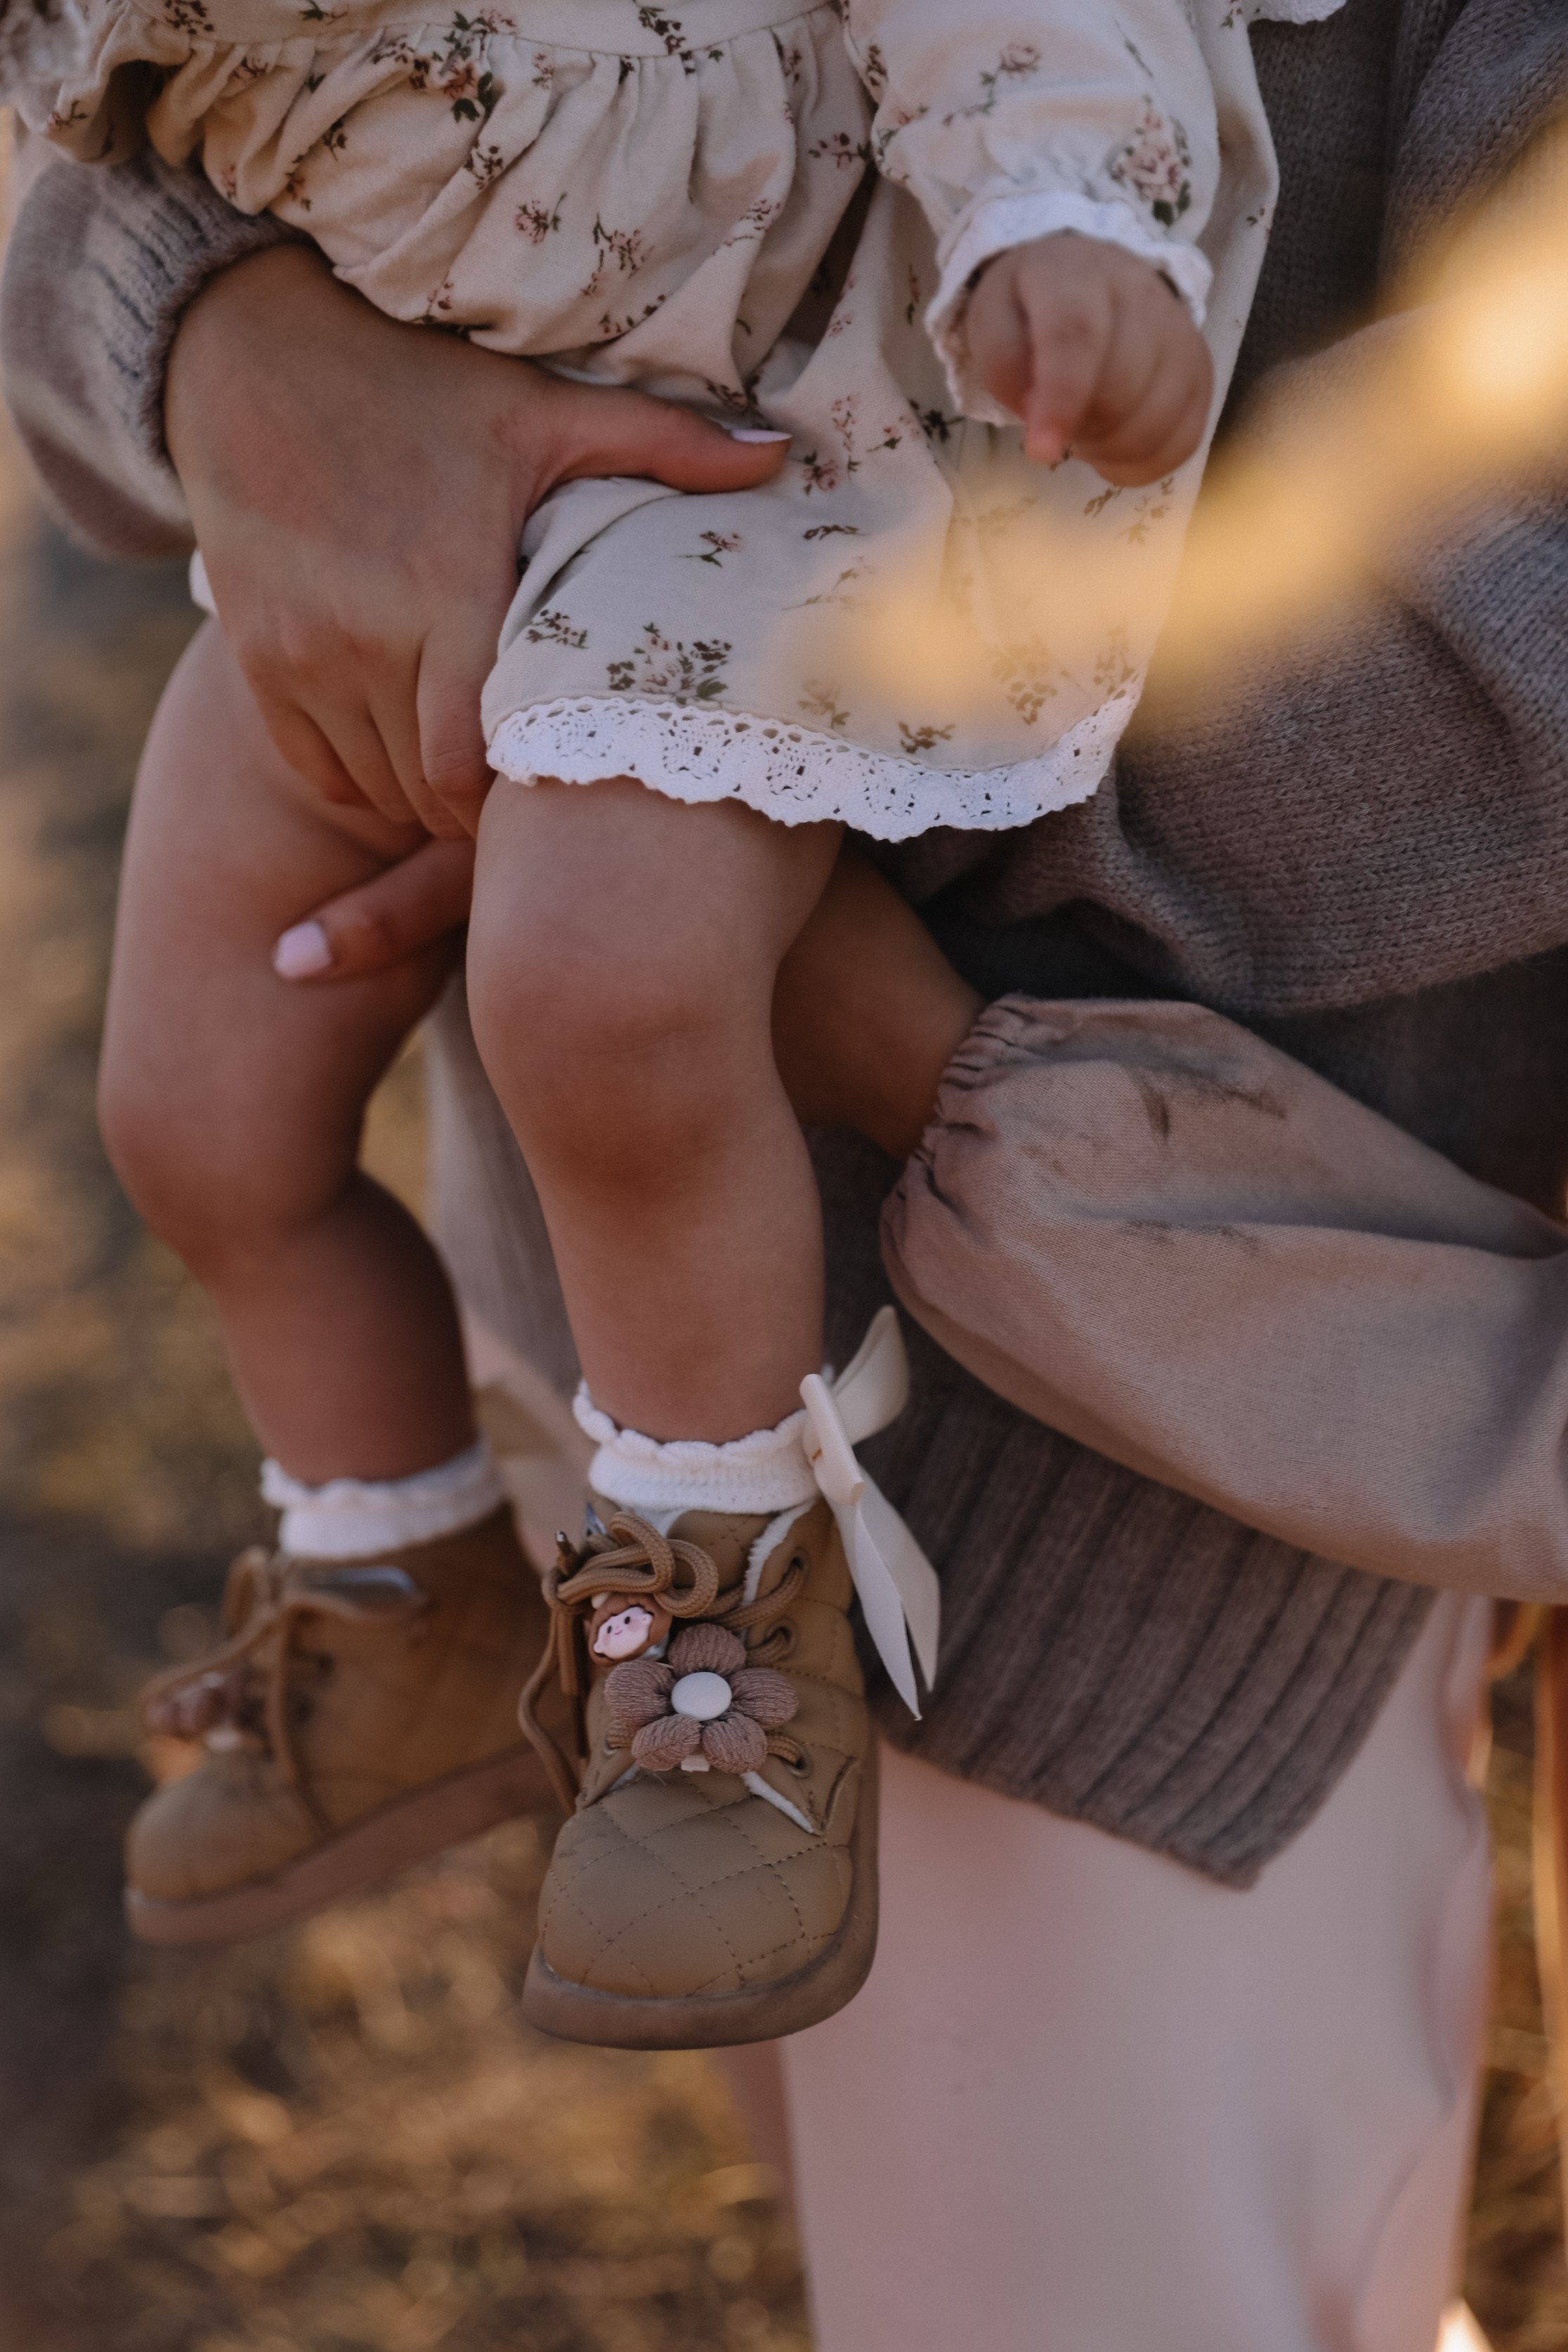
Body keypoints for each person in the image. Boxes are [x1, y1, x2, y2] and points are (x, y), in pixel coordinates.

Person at [9, 0, 1568, 2337]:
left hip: (1173, 1351)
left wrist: (775, 859)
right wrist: (217, 340)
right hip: (599, 1205)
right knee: (853, 2174)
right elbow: (152, 117)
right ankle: (416, 1567)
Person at [13, 0, 1248, 2044]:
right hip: (400, 453)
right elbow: (83, 204)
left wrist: (1056, 217)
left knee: (599, 989)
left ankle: (716, 1661)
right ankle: (392, 1563)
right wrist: (215, 340)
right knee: (194, 1095)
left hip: (759, 452)